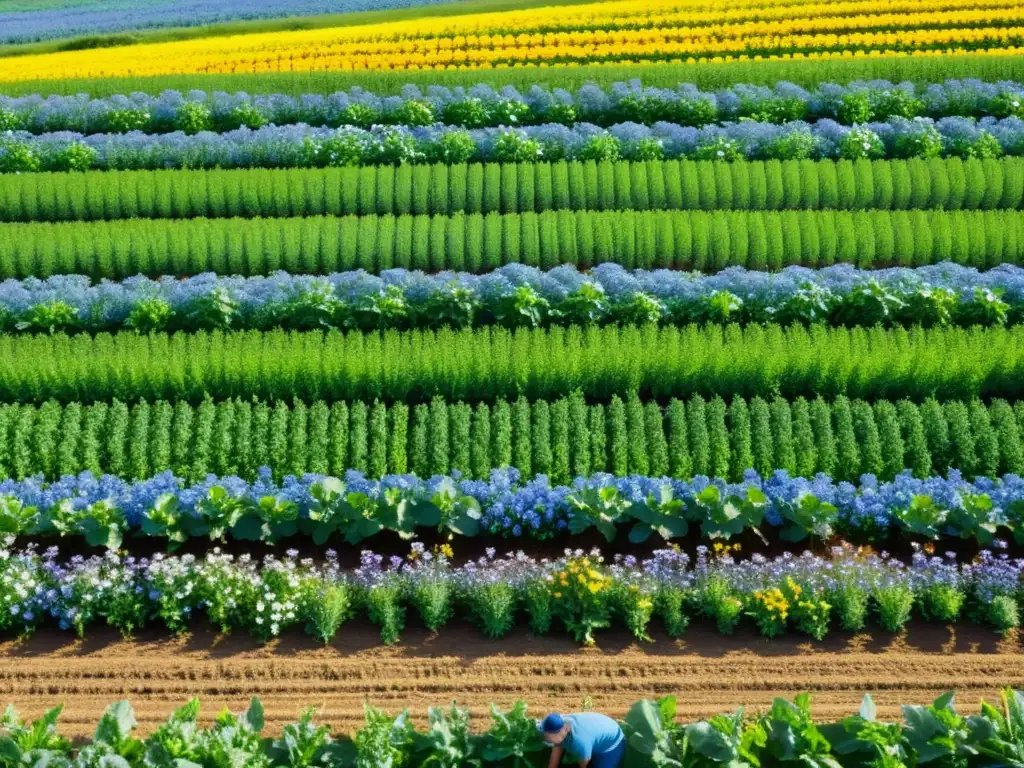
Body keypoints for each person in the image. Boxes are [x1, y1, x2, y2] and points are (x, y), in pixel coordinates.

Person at [540, 711, 625, 768]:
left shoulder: (579, 742)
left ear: (565, 730)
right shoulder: (561, 723)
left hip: (612, 743)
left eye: (549, 737)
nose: (546, 738)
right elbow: (557, 748)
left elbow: (584, 765)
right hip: (594, 735)